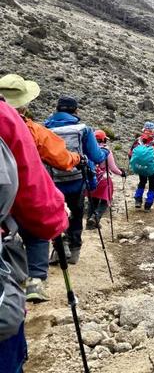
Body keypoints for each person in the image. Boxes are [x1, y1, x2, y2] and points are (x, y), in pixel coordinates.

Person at [0, 99, 68, 371]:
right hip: (32, 199)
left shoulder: (47, 125)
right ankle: (35, 283)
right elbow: (53, 164)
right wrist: (56, 222)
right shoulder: (11, 119)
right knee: (38, 236)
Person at [0, 75, 80, 302]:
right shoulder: (28, 128)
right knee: (36, 233)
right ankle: (35, 280)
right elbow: (62, 159)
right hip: (25, 194)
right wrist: (76, 159)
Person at [45, 96, 108, 265]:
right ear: (75, 111)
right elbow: (96, 156)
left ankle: (60, 246)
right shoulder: (83, 129)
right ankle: (74, 251)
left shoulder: (44, 129)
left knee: (56, 212)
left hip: (52, 180)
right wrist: (105, 153)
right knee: (77, 212)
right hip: (77, 179)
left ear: (57, 109)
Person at [86, 130, 126, 230]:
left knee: (93, 200)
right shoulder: (106, 151)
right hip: (103, 179)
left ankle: (89, 222)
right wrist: (121, 173)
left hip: (91, 178)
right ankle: (95, 218)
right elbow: (113, 168)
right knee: (106, 199)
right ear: (104, 139)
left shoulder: (87, 149)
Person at [129, 122, 154, 210]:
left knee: (142, 182)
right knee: (152, 184)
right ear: (153, 131)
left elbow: (130, 154)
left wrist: (134, 164)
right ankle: (148, 205)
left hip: (141, 166)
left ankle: (138, 200)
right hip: (153, 168)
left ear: (144, 129)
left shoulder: (138, 141)